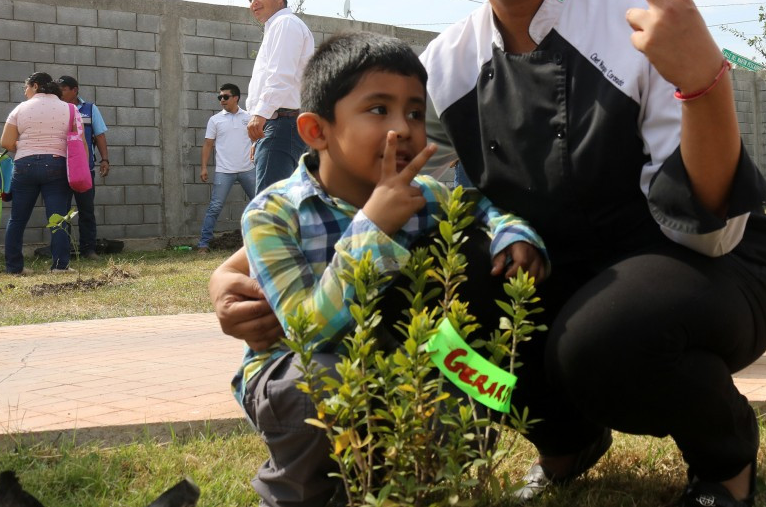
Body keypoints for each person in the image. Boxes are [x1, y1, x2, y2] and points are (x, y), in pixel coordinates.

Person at [212, 0, 766, 506]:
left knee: (604, 340)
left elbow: (710, 230)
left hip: (701, 265)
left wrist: (705, 81)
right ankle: (565, 438)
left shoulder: (637, 23)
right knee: (422, 303)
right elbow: (356, 192)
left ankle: (725, 461)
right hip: (555, 267)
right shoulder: (447, 64)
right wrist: (229, 274)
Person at [233, 31, 548, 507]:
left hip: (403, 362)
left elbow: (481, 206)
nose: (403, 128)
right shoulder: (273, 214)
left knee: (467, 382)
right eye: (379, 110)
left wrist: (513, 234)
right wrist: (373, 226)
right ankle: (295, 494)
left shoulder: (426, 194)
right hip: (299, 372)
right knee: (316, 383)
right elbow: (306, 331)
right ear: (317, 130)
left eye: (416, 112)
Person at [0, 72, 83, 274]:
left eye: (26, 87)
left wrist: (27, 144)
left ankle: (14, 268)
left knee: (17, 219)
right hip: (56, 164)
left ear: (35, 86)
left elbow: (6, 143)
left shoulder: (20, 108)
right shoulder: (71, 109)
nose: (25, 91)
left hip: (24, 165)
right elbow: (78, 143)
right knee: (58, 218)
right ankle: (60, 266)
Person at [244, 0, 315, 192]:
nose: (253, 3)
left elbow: (280, 75)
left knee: (269, 206)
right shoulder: (279, 26)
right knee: (285, 203)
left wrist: (261, 115)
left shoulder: (285, 24)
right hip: (279, 124)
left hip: (281, 123)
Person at [196, 83, 257, 253]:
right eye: (220, 97)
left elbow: (258, 140)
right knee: (215, 206)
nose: (222, 100)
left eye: (225, 97)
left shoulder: (249, 117)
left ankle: (264, 241)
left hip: (248, 169)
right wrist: (203, 168)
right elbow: (208, 144)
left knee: (261, 204)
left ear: (236, 98)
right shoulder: (215, 120)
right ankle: (203, 244)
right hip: (224, 171)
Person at [56, 75, 110, 258]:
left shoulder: (89, 109)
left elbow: (100, 135)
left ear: (75, 90)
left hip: (84, 170)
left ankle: (88, 249)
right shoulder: (56, 109)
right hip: (61, 169)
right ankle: (62, 249)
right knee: (61, 211)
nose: (60, 92)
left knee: (86, 210)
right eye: (59, 89)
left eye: (63, 89)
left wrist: (105, 160)